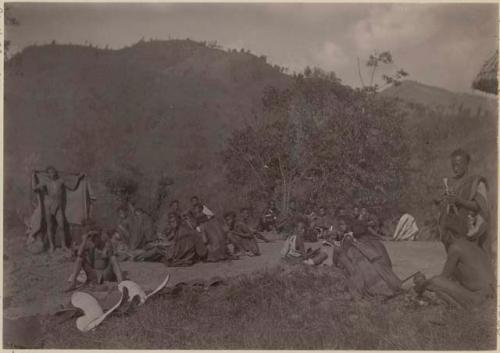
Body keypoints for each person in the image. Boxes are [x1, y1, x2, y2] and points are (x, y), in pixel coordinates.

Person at [414, 226, 495, 309]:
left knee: (435, 281)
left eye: (443, 238)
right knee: (439, 285)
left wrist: (422, 283)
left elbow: (443, 279)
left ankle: (464, 308)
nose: (443, 242)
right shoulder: (471, 245)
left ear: (449, 235)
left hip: (478, 297)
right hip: (491, 293)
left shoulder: (455, 248)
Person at [438, 149, 491, 255]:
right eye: (453, 165)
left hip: (468, 231)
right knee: (454, 263)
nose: (455, 168)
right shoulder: (452, 182)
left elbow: (480, 207)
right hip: (451, 229)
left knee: (466, 261)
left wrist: (459, 201)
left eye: (458, 164)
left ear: (467, 164)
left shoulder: (476, 182)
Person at [32, 166, 85, 252]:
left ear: (56, 173)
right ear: (48, 174)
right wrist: (33, 176)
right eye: (49, 172)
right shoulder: (45, 182)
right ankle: (52, 246)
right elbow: (34, 188)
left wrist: (78, 178)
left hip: (58, 206)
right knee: (50, 226)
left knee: (62, 226)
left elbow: (72, 187)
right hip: (48, 206)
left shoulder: (61, 181)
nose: (52, 174)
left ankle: (63, 245)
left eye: (53, 172)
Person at [135, 212, 207, 266]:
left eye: (173, 221)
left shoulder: (182, 231)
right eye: (171, 222)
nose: (172, 223)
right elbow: (174, 242)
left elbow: (177, 246)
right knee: (158, 249)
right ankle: (140, 257)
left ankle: (138, 258)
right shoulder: (181, 229)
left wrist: (163, 244)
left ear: (178, 220)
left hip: (180, 257)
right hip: (183, 255)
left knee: (157, 249)